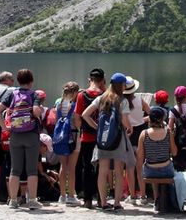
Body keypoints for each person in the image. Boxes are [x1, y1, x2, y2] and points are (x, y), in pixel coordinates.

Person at [84, 72, 134, 210]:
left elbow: (85, 115)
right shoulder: (122, 100)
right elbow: (125, 120)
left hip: (103, 139)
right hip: (118, 138)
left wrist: (97, 128)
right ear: (121, 85)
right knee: (118, 172)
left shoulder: (101, 98)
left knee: (103, 171)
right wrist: (130, 128)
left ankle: (104, 203)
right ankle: (117, 203)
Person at [0, 68, 43, 209]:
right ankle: (32, 200)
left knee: (14, 169)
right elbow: (35, 111)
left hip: (15, 135)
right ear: (31, 80)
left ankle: (13, 200)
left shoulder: (12, 93)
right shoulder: (34, 95)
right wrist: (39, 111)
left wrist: (5, 128)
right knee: (32, 170)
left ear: (18, 80)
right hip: (31, 134)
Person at [73, 68, 105, 207]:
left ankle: (87, 200)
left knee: (87, 168)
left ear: (89, 79)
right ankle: (100, 197)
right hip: (102, 138)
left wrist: (82, 130)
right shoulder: (105, 95)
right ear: (103, 80)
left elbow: (77, 117)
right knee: (101, 168)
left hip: (86, 137)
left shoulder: (82, 95)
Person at [52, 82, 81, 206]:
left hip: (60, 137)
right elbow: (77, 123)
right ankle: (71, 195)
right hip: (73, 136)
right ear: (75, 92)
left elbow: (55, 120)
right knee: (72, 168)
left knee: (63, 166)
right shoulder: (75, 105)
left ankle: (62, 195)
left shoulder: (59, 104)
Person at [124, 77, 149, 205]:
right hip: (140, 133)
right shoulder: (140, 99)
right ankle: (143, 196)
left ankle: (132, 196)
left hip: (127, 134)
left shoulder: (121, 102)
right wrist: (143, 120)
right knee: (140, 167)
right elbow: (151, 113)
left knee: (129, 167)